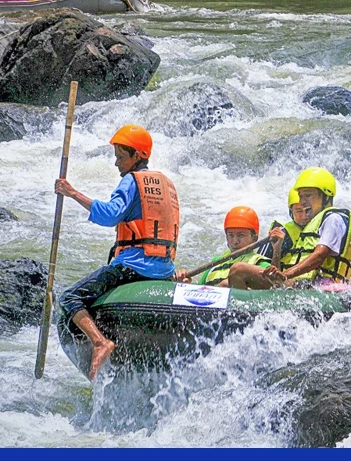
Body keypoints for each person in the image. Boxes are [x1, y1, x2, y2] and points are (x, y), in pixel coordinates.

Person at [55, 124, 179, 380]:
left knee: (69, 297)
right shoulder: (167, 185)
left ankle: (100, 342)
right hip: (165, 270)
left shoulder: (131, 181)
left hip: (133, 268)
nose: (116, 163)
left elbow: (110, 215)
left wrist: (72, 193)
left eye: (121, 157)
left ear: (138, 156)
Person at [233, 168, 351, 289]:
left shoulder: (334, 219)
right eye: (300, 196)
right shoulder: (313, 224)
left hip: (316, 287)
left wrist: (286, 274)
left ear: (326, 196)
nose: (302, 201)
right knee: (225, 282)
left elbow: (319, 256)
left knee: (238, 270)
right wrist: (277, 249)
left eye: (308, 195)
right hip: (301, 284)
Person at [179, 206, 272, 287]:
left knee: (225, 285)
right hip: (210, 301)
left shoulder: (260, 263)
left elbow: (273, 288)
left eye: (241, 235)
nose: (235, 241)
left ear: (254, 238)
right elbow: (199, 291)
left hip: (236, 301)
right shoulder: (216, 262)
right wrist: (185, 285)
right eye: (231, 235)